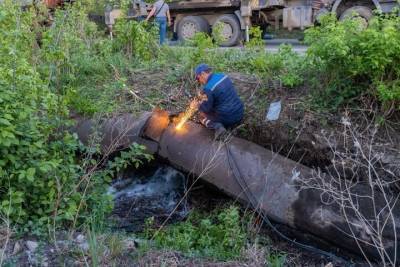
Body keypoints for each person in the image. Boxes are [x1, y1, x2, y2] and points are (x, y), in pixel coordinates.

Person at [191, 63, 244, 139]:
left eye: (198, 78)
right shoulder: (223, 76)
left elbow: (206, 109)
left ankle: (217, 127)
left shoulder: (208, 88)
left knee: (201, 115)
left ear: (202, 74)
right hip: (240, 112)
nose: (199, 81)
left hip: (229, 118)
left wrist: (197, 105)